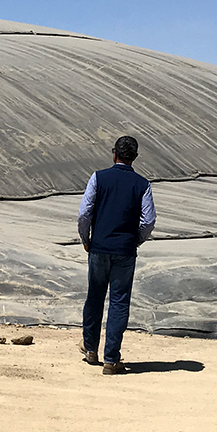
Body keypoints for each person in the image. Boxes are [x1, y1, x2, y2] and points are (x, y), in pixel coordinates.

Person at [77, 135, 155, 374]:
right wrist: (136, 241)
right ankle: (111, 359)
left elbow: (84, 213)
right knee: (119, 302)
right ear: (135, 158)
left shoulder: (99, 177)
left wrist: (86, 239)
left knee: (95, 297)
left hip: (99, 248)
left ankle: (91, 349)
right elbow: (149, 220)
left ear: (114, 154)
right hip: (125, 251)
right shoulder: (142, 184)